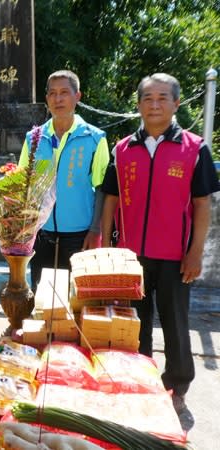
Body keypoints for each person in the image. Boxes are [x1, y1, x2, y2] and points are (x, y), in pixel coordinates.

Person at [101, 73, 220, 413]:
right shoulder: (123, 149)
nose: (154, 105)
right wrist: (107, 247)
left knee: (175, 320)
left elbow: (202, 205)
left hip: (174, 254)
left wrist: (196, 252)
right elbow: (110, 198)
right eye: (148, 99)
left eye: (162, 98)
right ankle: (137, 376)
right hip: (130, 254)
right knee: (133, 322)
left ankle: (178, 382)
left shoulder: (194, 149)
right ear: (138, 105)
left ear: (176, 103)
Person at [20, 70, 110, 289]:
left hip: (80, 236)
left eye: (64, 93)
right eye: (52, 93)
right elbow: (23, 182)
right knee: (41, 297)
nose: (58, 99)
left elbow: (102, 188)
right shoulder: (34, 138)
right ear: (47, 99)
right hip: (41, 234)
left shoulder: (94, 138)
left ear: (77, 96)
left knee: (76, 298)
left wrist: (95, 230)